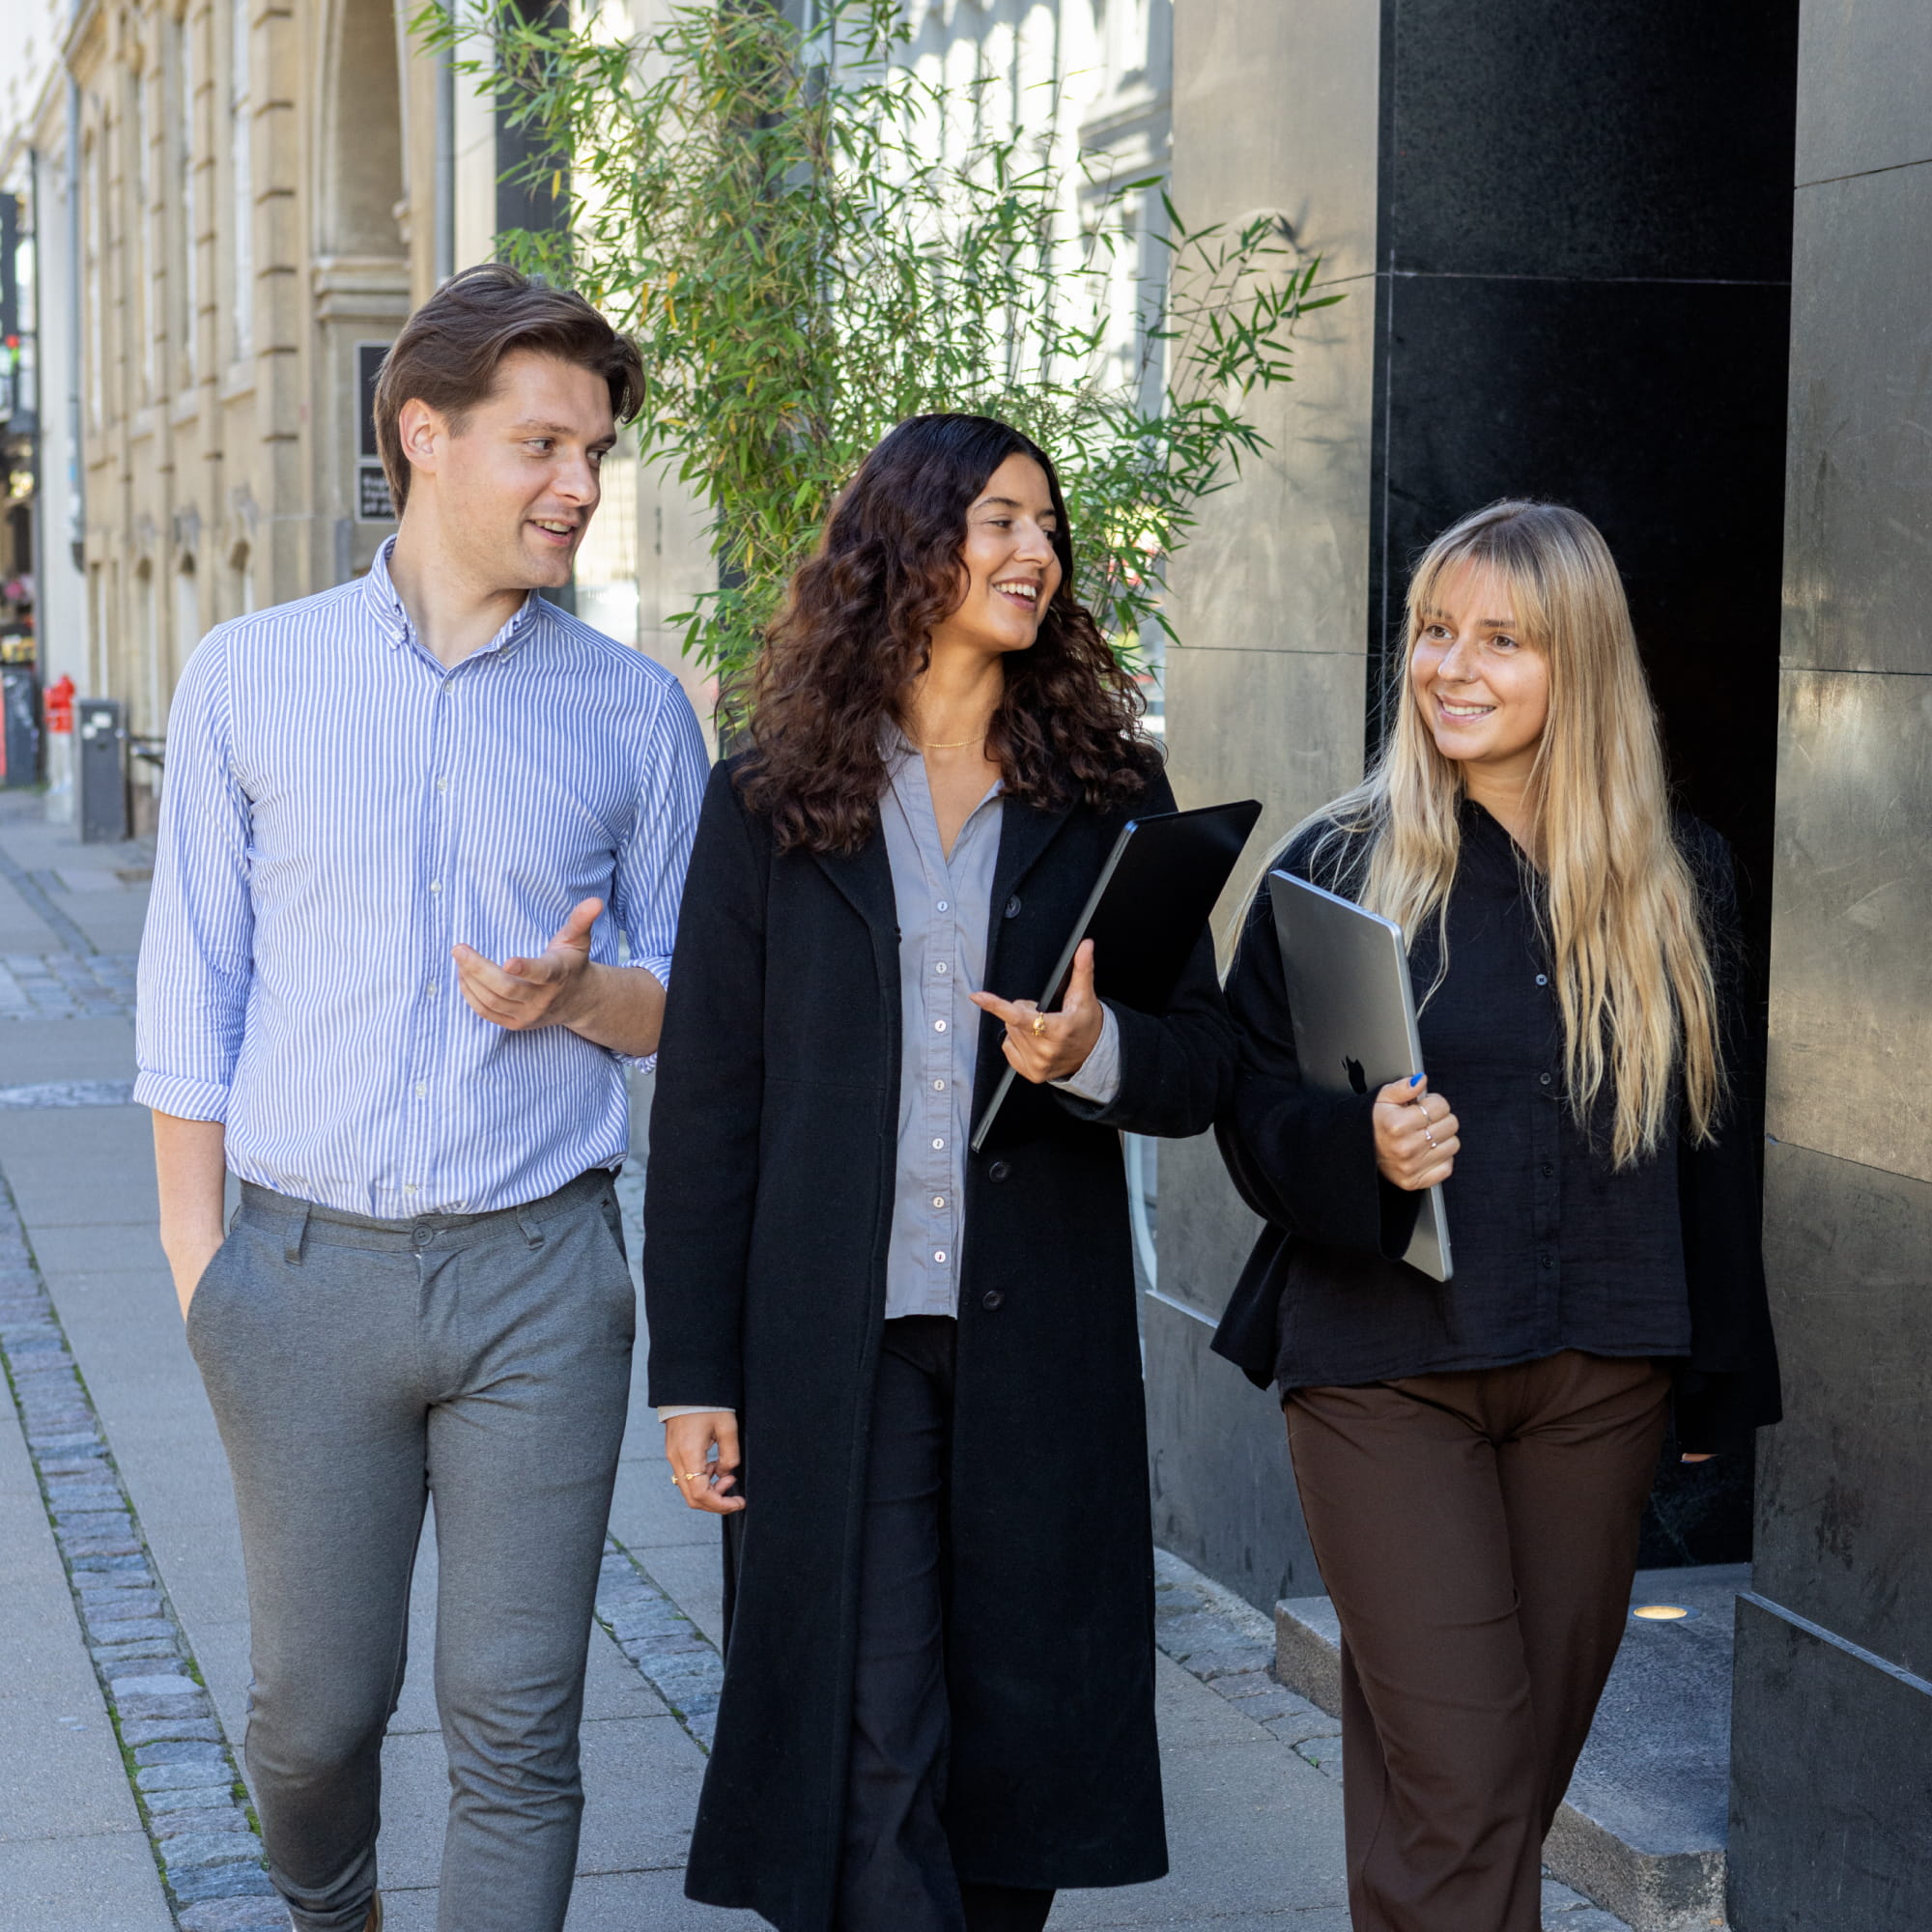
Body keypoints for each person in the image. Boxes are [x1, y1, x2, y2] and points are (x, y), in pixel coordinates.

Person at [135, 264, 708, 1932]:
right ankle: (336, 1911)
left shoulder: (633, 711)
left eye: (595, 451)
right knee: (311, 1719)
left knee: (518, 1723)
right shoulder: (251, 675)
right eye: (543, 444)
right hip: (302, 1280)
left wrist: (575, 996)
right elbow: (191, 995)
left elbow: (678, 1004)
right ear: (425, 437)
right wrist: (203, 1281)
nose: (580, 485)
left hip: (543, 1277)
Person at [642, 412, 1235, 1932]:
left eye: (1048, 527)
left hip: (1039, 1339)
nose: (1036, 551)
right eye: (999, 521)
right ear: (908, 544)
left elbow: (1206, 1058)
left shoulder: (1112, 796)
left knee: (1017, 1736)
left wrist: (1092, 1051)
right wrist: (695, 1370)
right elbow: (711, 1107)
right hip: (838, 1345)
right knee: (869, 1725)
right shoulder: (768, 802)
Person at [1211, 500, 1780, 1932]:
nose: (1450, 667)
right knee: (1462, 1788)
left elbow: (1710, 1144)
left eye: (1500, 640)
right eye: (1433, 632)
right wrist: (1365, 1147)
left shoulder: (1678, 876)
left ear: (1576, 664)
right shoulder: (1341, 865)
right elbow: (1250, 1108)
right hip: (1383, 1372)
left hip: (1600, 1372)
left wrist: (1718, 1384)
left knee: (1484, 1786)